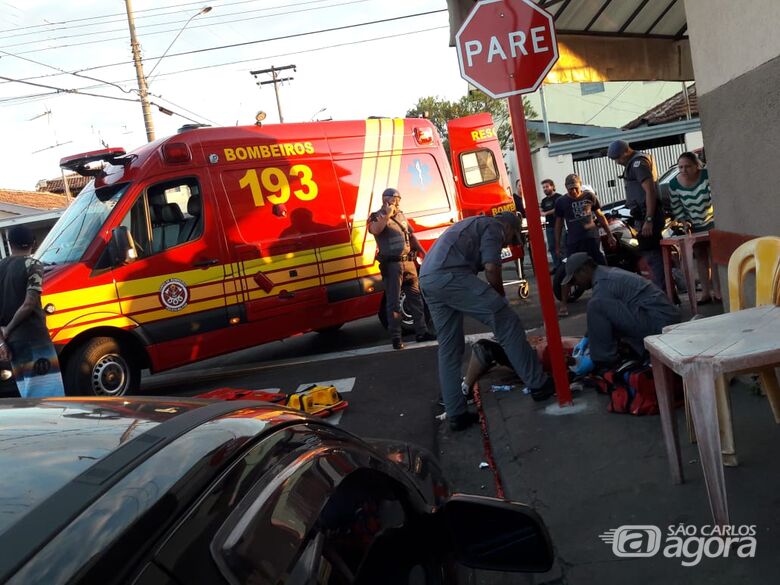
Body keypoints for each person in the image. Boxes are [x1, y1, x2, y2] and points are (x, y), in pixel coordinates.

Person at [419, 212, 555, 432]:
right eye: (512, 239)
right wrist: (500, 298)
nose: (508, 243)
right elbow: (491, 268)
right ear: (508, 228)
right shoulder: (493, 226)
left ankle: (456, 414)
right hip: (449, 275)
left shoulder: (472, 224)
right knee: (506, 320)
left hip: (427, 277)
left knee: (449, 348)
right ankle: (539, 384)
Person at [561, 252, 680, 370]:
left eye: (574, 279)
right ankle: (616, 352)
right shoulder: (606, 273)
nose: (575, 284)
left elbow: (601, 312)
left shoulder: (603, 283)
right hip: (660, 317)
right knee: (600, 310)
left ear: (584, 270)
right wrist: (587, 337)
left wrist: (597, 352)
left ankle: (603, 360)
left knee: (595, 306)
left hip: (660, 323)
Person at [0, 226, 64, 398]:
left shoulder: (1, 267)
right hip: (35, 340)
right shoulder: (33, 265)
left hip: (13, 344)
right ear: (34, 244)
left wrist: (2, 340)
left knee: (27, 395)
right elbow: (29, 304)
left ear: (9, 243)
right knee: (49, 397)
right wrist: (10, 328)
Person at [369, 188, 435, 350]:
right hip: (392, 266)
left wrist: (423, 252)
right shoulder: (376, 216)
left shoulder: (401, 215)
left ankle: (421, 331)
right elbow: (375, 230)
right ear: (387, 199)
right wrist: (387, 214)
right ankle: (396, 338)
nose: (399, 201)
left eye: (399, 198)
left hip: (409, 263)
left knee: (416, 298)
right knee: (393, 303)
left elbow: (410, 235)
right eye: (396, 198)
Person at [554, 173, 616, 317]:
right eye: (570, 189)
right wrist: (557, 245)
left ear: (580, 185)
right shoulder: (561, 202)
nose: (573, 192)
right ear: (565, 188)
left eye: (575, 188)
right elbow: (558, 225)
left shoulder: (589, 196)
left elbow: (600, 215)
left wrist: (609, 234)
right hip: (574, 241)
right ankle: (563, 304)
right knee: (569, 272)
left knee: (601, 268)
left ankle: (605, 297)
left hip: (592, 239)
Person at [607, 140, 665, 291]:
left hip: (648, 217)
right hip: (642, 216)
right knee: (651, 258)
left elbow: (650, 191)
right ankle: (667, 294)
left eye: (618, 158)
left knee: (653, 258)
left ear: (626, 151)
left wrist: (649, 219)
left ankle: (664, 296)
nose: (617, 162)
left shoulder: (638, 163)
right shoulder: (633, 163)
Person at [668, 151, 718, 303]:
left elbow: (715, 197)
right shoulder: (674, 184)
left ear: (697, 166)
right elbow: (677, 207)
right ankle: (705, 293)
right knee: (701, 258)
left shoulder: (706, 176)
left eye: (687, 167)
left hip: (712, 221)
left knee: (715, 256)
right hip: (693, 225)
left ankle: (718, 292)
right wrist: (684, 223)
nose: (683, 170)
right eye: (680, 167)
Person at [539, 179, 563, 271]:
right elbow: (541, 210)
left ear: (552, 186)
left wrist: (546, 213)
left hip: (559, 225)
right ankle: (557, 266)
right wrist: (541, 211)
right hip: (549, 226)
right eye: (544, 187)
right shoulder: (544, 200)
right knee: (552, 247)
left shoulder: (559, 197)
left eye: (547, 186)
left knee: (561, 246)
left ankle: (563, 265)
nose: (545, 189)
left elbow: (558, 209)